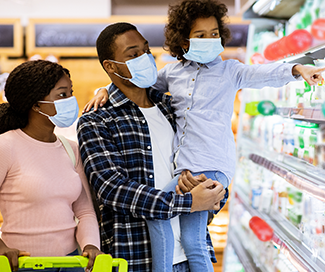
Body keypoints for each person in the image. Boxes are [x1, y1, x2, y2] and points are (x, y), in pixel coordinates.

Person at [83, 1, 325, 272]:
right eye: (200, 35)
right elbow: (132, 83)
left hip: (212, 168)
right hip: (163, 212)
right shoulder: (168, 79)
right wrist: (102, 90)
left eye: (214, 33)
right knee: (189, 236)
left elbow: (260, 74)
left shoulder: (224, 74)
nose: (210, 40)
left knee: (194, 240)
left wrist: (296, 70)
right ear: (183, 41)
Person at [76, 22, 227, 272]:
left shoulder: (173, 107)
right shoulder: (96, 120)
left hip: (192, 256)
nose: (145, 58)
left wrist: (213, 194)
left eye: (146, 50)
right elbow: (113, 190)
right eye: (133, 54)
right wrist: (188, 203)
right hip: (138, 259)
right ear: (111, 66)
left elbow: (209, 158)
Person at [0, 60, 102, 272]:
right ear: (35, 104)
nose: (71, 101)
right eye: (62, 95)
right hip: (23, 265)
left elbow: (85, 212)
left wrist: (91, 245)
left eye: (70, 93)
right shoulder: (3, 147)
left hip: (72, 263)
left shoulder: (71, 149)